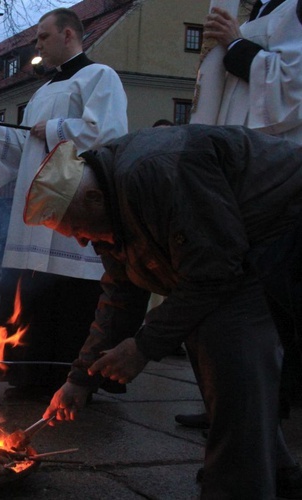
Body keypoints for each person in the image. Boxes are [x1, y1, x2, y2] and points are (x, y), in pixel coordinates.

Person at [24, 126, 302, 498]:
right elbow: (121, 296)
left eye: (77, 230)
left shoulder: (156, 172)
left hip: (283, 223)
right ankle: (273, 469)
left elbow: (216, 270)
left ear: (92, 198)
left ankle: (239, 486)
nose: (82, 241)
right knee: (205, 335)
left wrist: (143, 346)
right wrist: (80, 380)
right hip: (236, 247)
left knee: (229, 343)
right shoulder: (110, 205)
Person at [0, 8, 128, 395]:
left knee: (70, 300)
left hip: (73, 212)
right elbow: (27, 146)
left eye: (42, 37)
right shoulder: (41, 92)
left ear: (68, 35)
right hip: (35, 216)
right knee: (30, 296)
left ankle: (68, 381)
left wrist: (53, 128)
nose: (36, 45)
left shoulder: (99, 77)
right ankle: (29, 375)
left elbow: (107, 134)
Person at [177, 0, 302, 430]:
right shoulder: (260, 9)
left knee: (272, 293)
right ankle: (229, 398)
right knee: (234, 283)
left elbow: (294, 85)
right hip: (239, 167)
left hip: (280, 174)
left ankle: (271, 405)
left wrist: (234, 46)